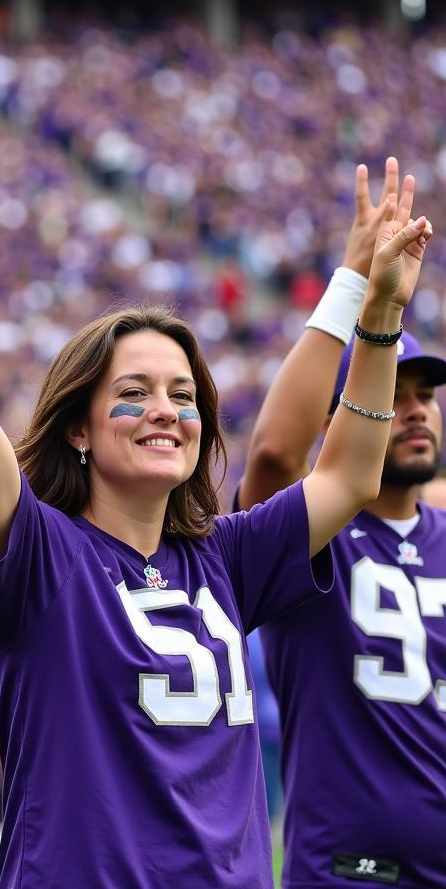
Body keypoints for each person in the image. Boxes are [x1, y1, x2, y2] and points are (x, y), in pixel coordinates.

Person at [0, 88, 432, 888]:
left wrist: (377, 312)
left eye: (182, 395)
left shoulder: (225, 558)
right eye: (132, 394)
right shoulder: (37, 557)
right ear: (78, 427)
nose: (164, 411)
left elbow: (347, 473)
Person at [240, 158, 446, 888]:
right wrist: (356, 284)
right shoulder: (314, 539)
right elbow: (272, 454)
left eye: (428, 394)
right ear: (344, 420)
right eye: (400, 392)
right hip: (352, 873)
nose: (416, 408)